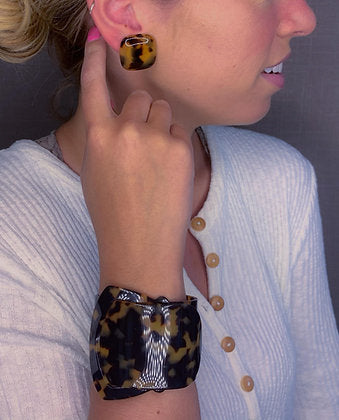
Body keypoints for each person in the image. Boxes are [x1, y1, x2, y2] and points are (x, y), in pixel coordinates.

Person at [0, 0, 338, 419]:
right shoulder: (8, 232)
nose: (304, 19)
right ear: (125, 14)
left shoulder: (281, 179)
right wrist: (140, 269)